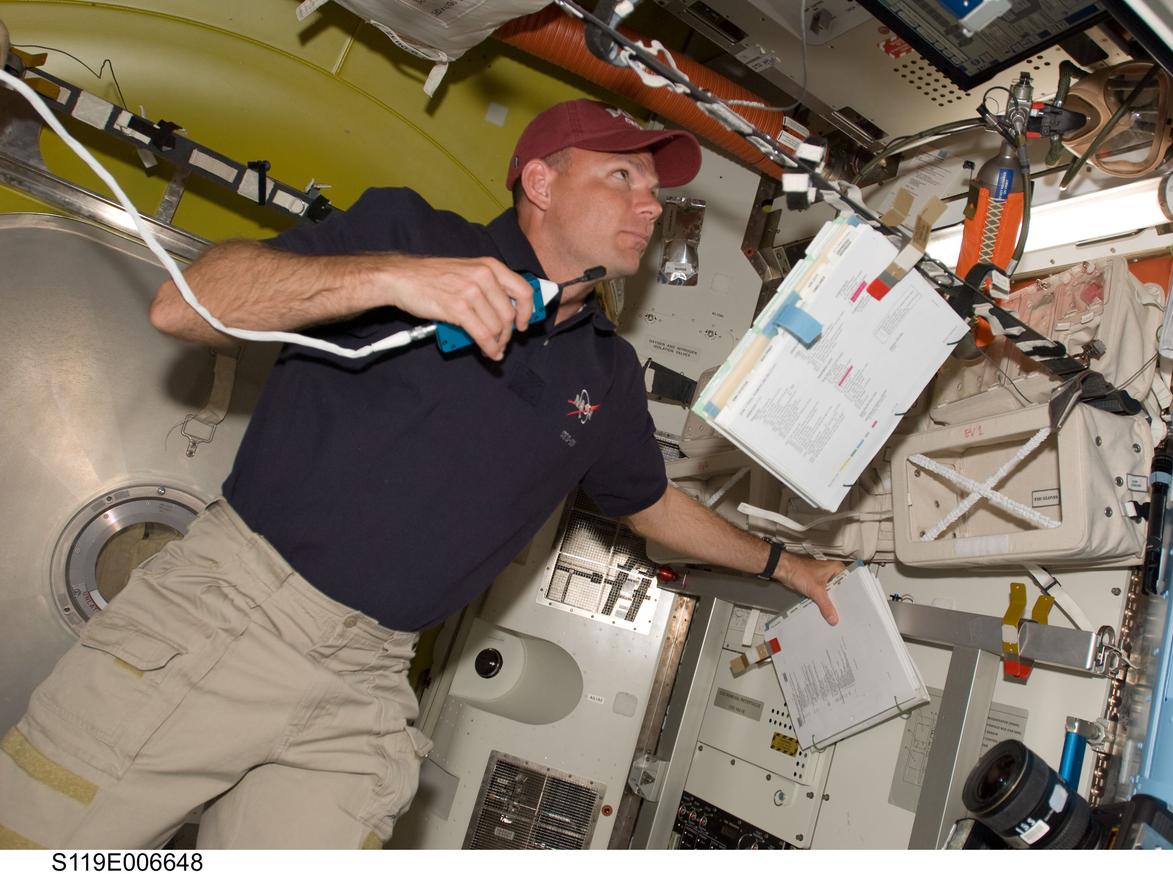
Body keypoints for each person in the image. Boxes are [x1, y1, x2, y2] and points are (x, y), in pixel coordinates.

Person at [0, 99, 844, 850]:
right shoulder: (413, 235)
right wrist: (397, 278)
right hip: (237, 612)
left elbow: (650, 504)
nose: (650, 203)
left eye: (655, 189)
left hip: (369, 678)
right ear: (541, 184)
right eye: (623, 175)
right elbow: (185, 304)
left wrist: (787, 566)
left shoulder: (609, 374)